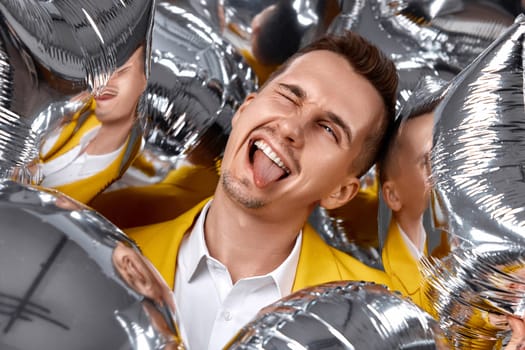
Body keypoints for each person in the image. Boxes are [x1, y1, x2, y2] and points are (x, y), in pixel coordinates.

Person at [127, 31, 398, 349]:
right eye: (289, 97)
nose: (290, 129)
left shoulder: (378, 320)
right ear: (244, 110)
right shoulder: (111, 254)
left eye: (328, 129)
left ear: (340, 191)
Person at [38, 44, 147, 204]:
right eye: (102, 70)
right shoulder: (69, 104)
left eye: (122, 70)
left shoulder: (124, 181)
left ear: (144, 80)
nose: (103, 81)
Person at [378, 90, 450, 308]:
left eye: (449, 155)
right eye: (428, 162)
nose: (446, 171)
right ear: (393, 196)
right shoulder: (382, 286)